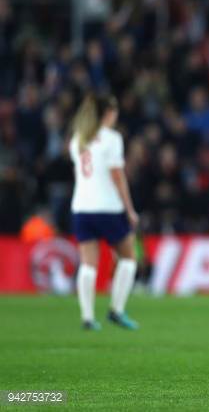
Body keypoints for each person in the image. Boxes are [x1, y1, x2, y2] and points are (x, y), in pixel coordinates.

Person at [69, 93, 139, 331]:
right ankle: (116, 311)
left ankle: (87, 318)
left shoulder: (78, 138)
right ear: (108, 113)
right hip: (108, 208)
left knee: (88, 264)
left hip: (81, 208)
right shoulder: (112, 138)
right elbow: (117, 176)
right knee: (128, 258)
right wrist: (129, 209)